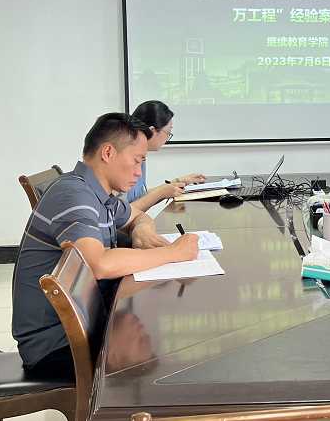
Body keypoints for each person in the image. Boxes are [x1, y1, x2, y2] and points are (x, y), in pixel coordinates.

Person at [12, 112, 200, 377]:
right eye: (137, 161)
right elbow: (99, 264)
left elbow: (139, 216)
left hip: (84, 316)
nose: (139, 172)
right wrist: (172, 253)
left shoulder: (99, 193)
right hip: (56, 341)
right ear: (108, 153)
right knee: (165, 363)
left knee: (160, 342)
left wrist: (140, 230)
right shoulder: (73, 194)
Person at [125, 100, 206, 210]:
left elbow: (136, 198)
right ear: (152, 131)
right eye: (168, 133)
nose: (167, 139)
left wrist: (176, 182)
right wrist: (161, 192)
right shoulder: (126, 159)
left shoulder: (141, 157)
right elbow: (121, 213)